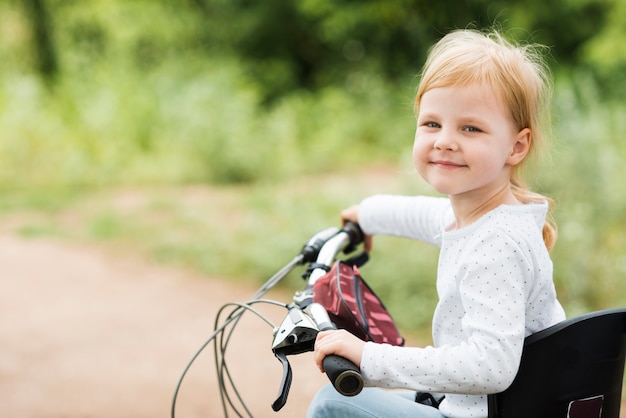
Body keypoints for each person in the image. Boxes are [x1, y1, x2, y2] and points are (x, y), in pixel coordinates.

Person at [307, 28, 566, 418]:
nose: (445, 140)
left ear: (517, 146)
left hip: (484, 412)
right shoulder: (484, 216)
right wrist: (369, 213)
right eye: (432, 124)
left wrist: (368, 356)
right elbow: (428, 216)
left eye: (470, 128)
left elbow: (490, 366)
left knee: (333, 403)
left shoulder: (496, 244)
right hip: (475, 406)